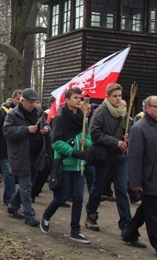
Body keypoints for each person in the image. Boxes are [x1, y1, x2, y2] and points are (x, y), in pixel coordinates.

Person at [124, 96, 157, 259]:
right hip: (148, 179)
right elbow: (134, 158)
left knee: (147, 209)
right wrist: (135, 182)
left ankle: (129, 233)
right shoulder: (139, 128)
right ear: (147, 108)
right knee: (152, 213)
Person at [40, 87, 91, 244]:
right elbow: (56, 142)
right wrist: (74, 152)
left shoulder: (82, 120)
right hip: (65, 163)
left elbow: (88, 139)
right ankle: (46, 216)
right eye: (75, 97)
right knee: (63, 196)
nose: (78, 100)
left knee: (78, 198)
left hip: (79, 165)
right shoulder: (60, 119)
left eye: (80, 98)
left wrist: (86, 143)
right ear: (67, 100)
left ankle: (75, 231)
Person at [84, 83, 132, 233]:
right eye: (115, 96)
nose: (118, 99)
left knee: (122, 189)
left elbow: (130, 129)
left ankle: (126, 224)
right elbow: (95, 134)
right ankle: (91, 215)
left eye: (120, 96)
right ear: (108, 97)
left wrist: (128, 137)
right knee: (98, 187)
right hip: (104, 155)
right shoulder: (100, 112)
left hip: (120, 156)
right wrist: (115, 141)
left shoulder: (124, 112)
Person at [3, 88, 48, 227]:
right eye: (30, 102)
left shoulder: (39, 113)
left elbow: (46, 124)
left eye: (34, 102)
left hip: (36, 155)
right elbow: (7, 131)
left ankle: (13, 205)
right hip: (21, 155)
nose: (32, 105)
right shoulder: (12, 115)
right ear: (22, 101)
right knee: (26, 186)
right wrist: (26, 130)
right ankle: (29, 214)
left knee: (28, 185)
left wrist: (46, 129)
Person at [0, 89, 23, 206]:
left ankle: (9, 196)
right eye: (18, 99)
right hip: (5, 147)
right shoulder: (3, 111)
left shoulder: (24, 112)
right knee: (9, 174)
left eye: (22, 99)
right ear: (13, 98)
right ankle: (10, 198)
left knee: (15, 174)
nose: (20, 102)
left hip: (18, 149)